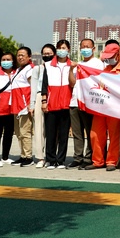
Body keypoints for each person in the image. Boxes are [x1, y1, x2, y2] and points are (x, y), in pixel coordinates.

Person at [86, 42, 120, 171]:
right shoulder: (105, 69)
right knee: (95, 134)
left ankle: (111, 161)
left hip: (115, 108)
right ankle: (97, 160)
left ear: (118, 55)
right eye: (107, 57)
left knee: (114, 135)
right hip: (102, 107)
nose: (109, 59)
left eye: (111, 56)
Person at [66, 39, 104, 168]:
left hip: (88, 103)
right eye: (82, 47)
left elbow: (99, 81)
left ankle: (89, 157)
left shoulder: (98, 63)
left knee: (90, 132)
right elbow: (72, 83)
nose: (85, 49)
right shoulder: (78, 64)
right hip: (75, 102)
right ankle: (78, 157)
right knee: (77, 133)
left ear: (93, 49)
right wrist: (71, 70)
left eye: (87, 46)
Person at [41, 40, 73, 169]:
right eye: (59, 48)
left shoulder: (72, 66)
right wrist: (44, 101)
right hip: (51, 104)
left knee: (63, 134)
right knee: (51, 133)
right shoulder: (48, 65)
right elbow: (44, 85)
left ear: (68, 49)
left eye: (64, 48)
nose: (61, 50)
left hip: (66, 104)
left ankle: (60, 160)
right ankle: (50, 159)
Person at [0, 52, 20, 167]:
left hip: (12, 109)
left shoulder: (17, 73)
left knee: (8, 134)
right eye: (4, 59)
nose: (6, 62)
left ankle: (5, 156)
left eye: (8, 59)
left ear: (13, 61)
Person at [30, 44, 55, 168]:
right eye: (44, 53)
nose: (47, 55)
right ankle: (40, 157)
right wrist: (32, 104)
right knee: (39, 128)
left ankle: (51, 156)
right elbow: (33, 87)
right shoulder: (38, 69)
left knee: (52, 128)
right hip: (40, 96)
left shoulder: (56, 68)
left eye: (49, 53)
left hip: (53, 96)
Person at [10, 47, 34, 167]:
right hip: (16, 105)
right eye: (18, 55)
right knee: (19, 133)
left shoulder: (30, 69)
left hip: (25, 106)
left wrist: (30, 104)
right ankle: (23, 155)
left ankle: (28, 157)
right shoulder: (18, 70)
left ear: (29, 57)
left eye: (23, 55)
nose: (20, 57)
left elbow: (33, 87)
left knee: (25, 132)